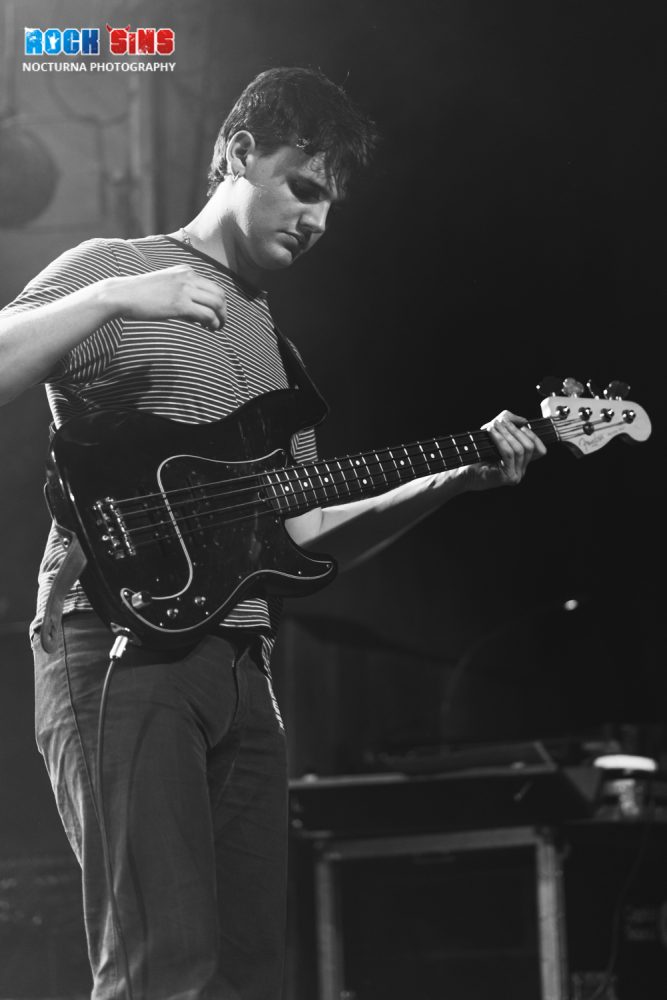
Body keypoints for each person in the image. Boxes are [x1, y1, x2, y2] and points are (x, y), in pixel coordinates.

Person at [0, 67, 546, 1000]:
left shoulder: (277, 354)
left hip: (242, 671)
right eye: (303, 186)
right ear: (238, 152)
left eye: (331, 204)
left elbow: (304, 534)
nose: (318, 220)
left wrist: (450, 480)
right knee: (161, 971)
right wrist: (110, 300)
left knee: (248, 979)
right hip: (123, 646)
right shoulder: (113, 267)